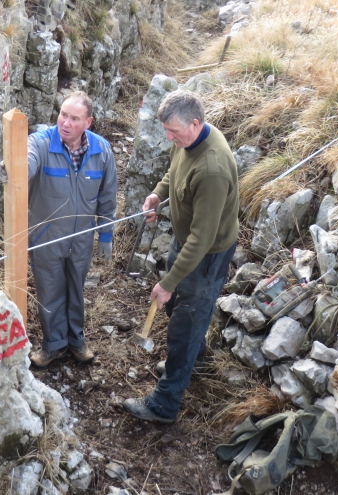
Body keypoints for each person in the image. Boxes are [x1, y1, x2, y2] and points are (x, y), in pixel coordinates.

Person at [123, 90, 239, 423]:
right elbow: (175, 172)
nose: (168, 138)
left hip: (206, 257)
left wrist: (168, 282)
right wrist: (158, 194)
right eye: (166, 131)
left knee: (184, 325)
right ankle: (196, 359)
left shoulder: (212, 169)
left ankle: (164, 405)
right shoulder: (188, 142)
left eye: (173, 132)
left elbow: (203, 240)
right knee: (180, 309)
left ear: (196, 122)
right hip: (186, 241)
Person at [27, 91, 117, 367]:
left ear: (88, 122)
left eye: (74, 118)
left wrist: (105, 233)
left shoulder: (101, 151)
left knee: (76, 288)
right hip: (46, 237)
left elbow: (108, 195)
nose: (65, 122)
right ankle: (54, 345)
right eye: (63, 114)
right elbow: (26, 161)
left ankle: (76, 341)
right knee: (50, 288)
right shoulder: (41, 143)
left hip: (81, 239)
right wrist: (15, 169)